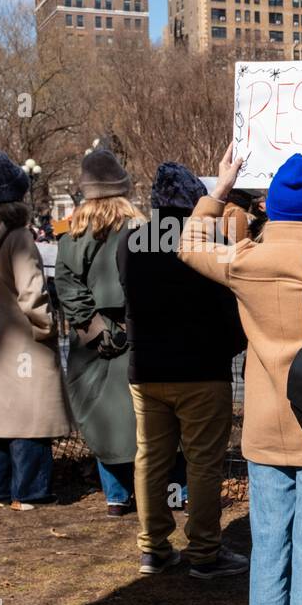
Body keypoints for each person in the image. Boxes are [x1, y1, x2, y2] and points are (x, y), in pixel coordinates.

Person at [180, 148, 302, 605]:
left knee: (270, 536)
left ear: (271, 212)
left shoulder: (245, 261)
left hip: (260, 423)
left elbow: (187, 245)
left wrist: (220, 189)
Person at [118, 162, 247, 577]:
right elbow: (228, 306)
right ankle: (205, 551)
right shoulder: (210, 239)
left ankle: (153, 547)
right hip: (202, 369)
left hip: (147, 368)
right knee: (203, 464)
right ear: (194, 199)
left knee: (150, 459)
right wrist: (233, 347)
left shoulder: (130, 242)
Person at [0, 150, 71, 508]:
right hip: (20, 337)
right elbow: (32, 292)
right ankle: (29, 492)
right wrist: (47, 327)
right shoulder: (19, 236)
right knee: (29, 416)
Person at [54, 148, 141, 517]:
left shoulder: (72, 234)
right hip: (138, 330)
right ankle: (166, 492)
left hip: (94, 342)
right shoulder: (140, 228)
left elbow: (67, 283)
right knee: (143, 416)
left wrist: (93, 328)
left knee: (102, 416)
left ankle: (117, 496)